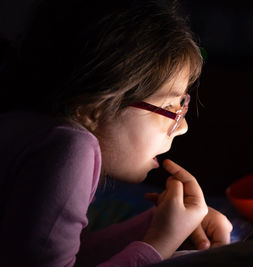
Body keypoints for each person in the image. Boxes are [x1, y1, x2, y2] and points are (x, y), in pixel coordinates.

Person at [0, 0, 232, 266]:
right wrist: (161, 242)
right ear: (92, 109)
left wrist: (161, 227)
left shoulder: (29, 133)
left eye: (182, 104)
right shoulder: (68, 147)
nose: (183, 126)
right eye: (169, 107)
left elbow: (72, 256)